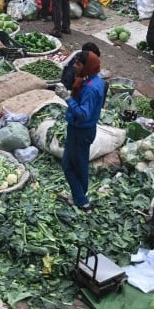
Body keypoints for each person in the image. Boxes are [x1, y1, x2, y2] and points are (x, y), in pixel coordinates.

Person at [56, 51, 105, 211]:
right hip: (81, 129)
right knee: (79, 164)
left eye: (78, 64)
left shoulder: (91, 88)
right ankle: (79, 196)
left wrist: (67, 98)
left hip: (81, 131)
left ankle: (82, 200)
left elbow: (84, 114)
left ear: (87, 66)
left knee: (69, 165)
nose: (74, 66)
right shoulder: (92, 80)